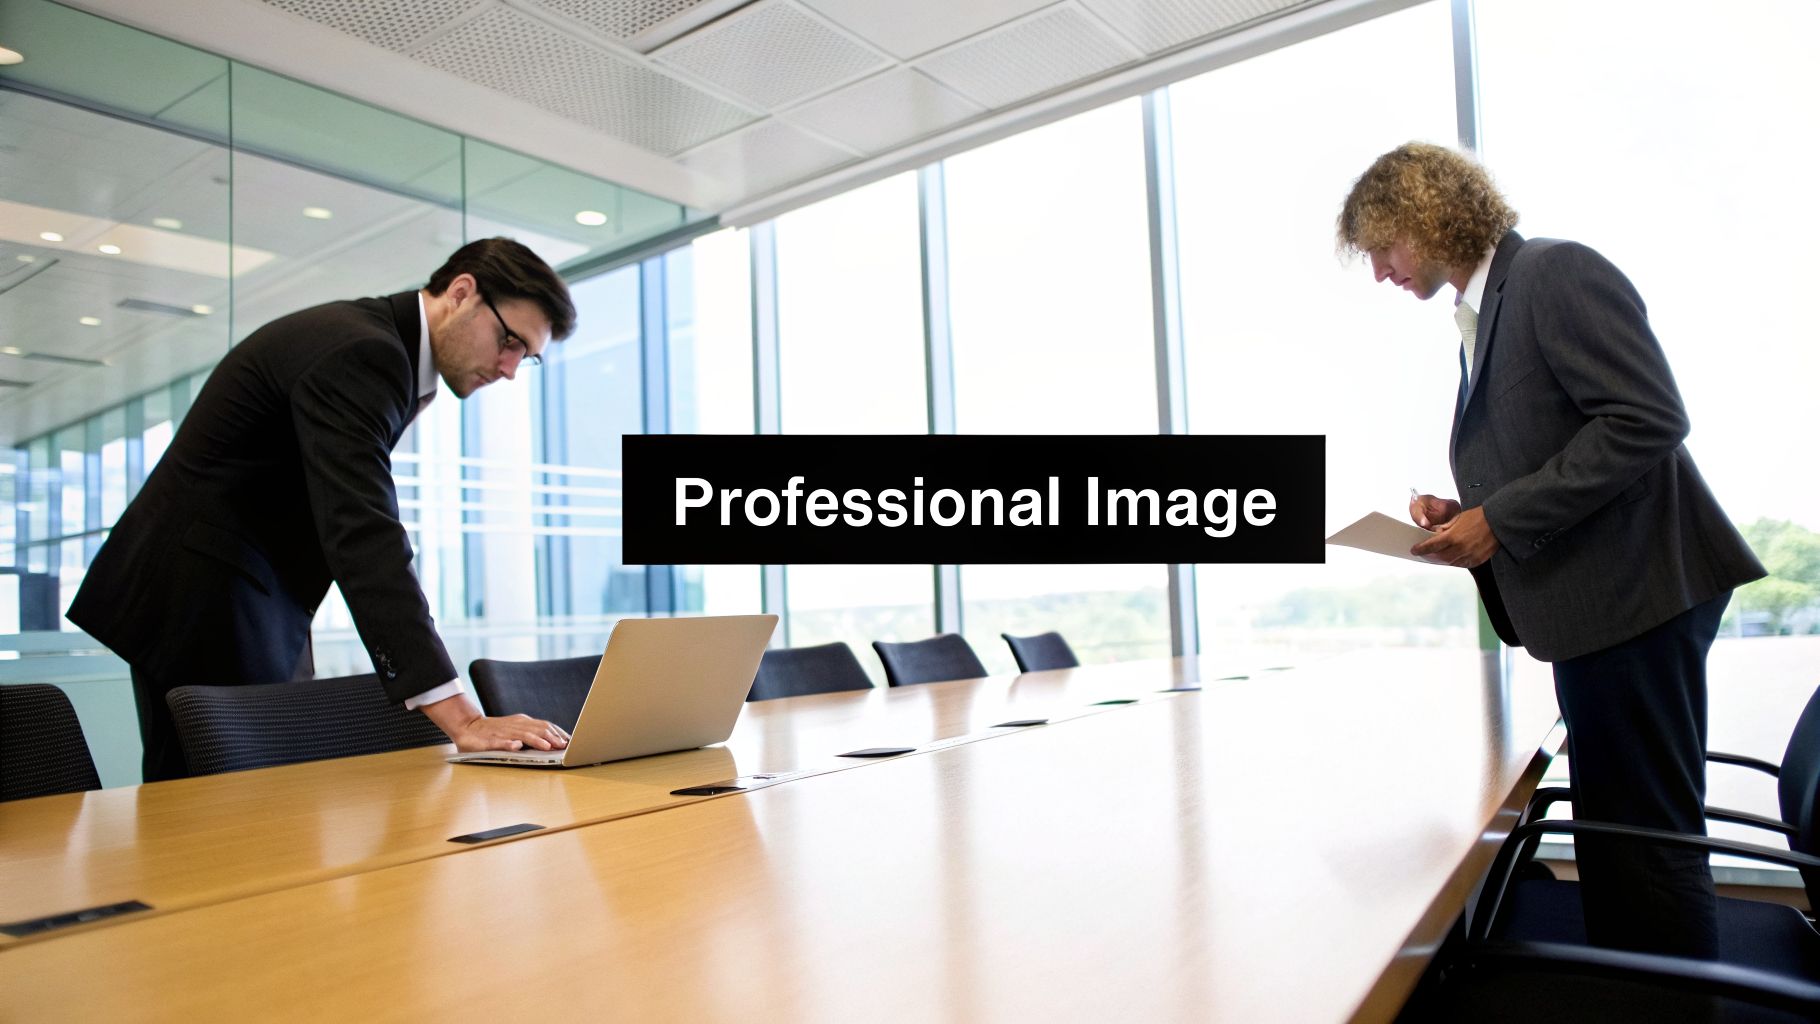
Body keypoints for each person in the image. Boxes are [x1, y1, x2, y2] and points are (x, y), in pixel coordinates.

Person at [1336, 143, 1764, 958]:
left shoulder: (1552, 274)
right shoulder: (1492, 304)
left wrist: (1500, 519)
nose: (1382, 273)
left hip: (1635, 598)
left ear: (1423, 218)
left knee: (1644, 845)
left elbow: (1646, 418)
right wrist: (1471, 512)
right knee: (1619, 837)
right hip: (1602, 607)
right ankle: (1637, 995)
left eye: (1382, 247)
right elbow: (1560, 441)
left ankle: (1670, 1009)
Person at [69, 237, 580, 782]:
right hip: (202, 599)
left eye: (525, 357)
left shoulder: (381, 346)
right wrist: (462, 718)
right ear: (461, 293)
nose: (508, 369)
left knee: (246, 810)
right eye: (508, 341)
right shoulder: (365, 352)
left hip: (238, 596)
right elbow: (362, 533)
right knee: (215, 813)